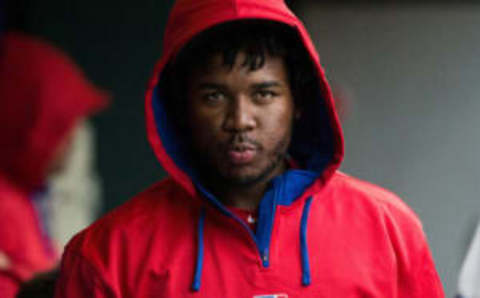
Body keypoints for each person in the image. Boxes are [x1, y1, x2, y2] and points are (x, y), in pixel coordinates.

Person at [55, 0, 445, 297]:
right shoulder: (108, 255)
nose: (240, 119)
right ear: (179, 107)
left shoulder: (388, 229)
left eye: (264, 93)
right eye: (213, 96)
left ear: (298, 103)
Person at [0, 31, 108, 298]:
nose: (72, 142)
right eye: (59, 128)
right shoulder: (6, 206)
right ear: (26, 130)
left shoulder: (28, 200)